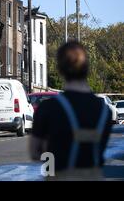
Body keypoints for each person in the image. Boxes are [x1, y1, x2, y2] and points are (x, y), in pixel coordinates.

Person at [30, 41, 112, 181]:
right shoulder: (105, 110)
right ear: (87, 68)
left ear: (60, 69)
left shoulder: (48, 108)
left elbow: (35, 153)